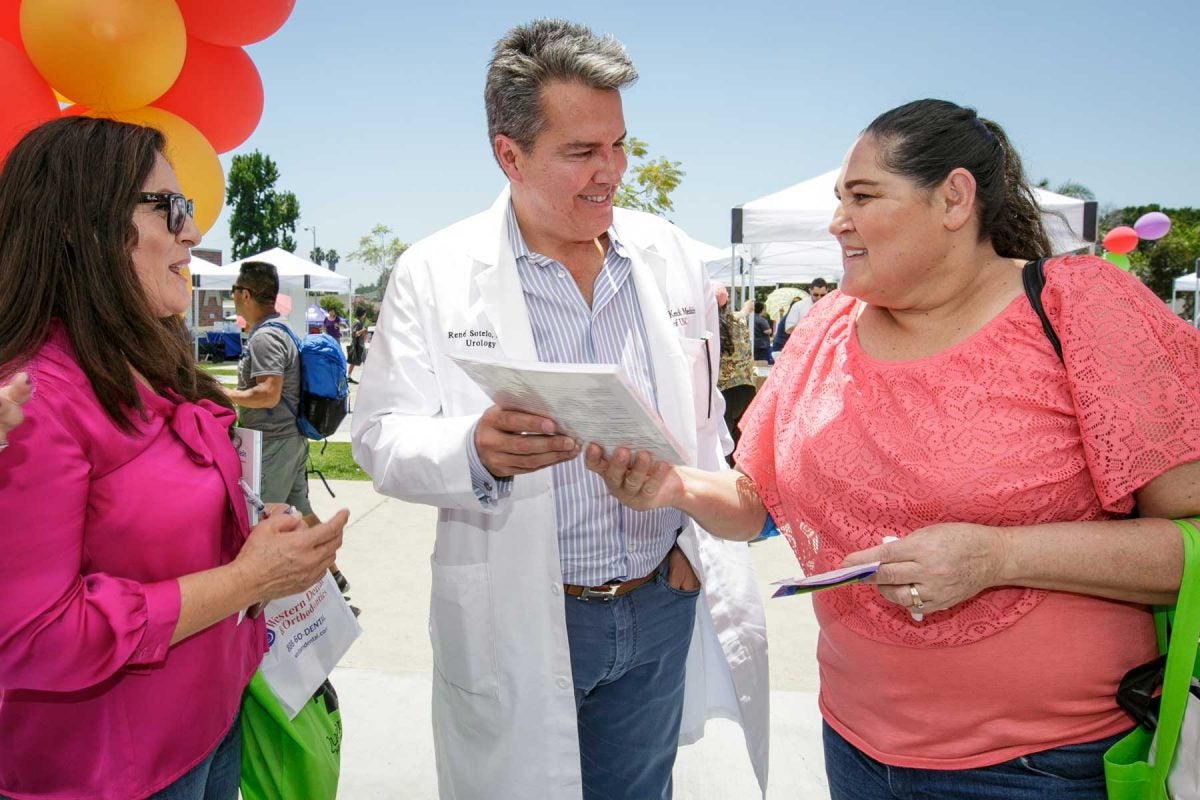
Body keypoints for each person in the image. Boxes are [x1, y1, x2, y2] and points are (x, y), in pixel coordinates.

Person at [586, 98, 1200, 799]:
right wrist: (671, 487)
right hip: (856, 749)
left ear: (954, 199)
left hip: (1043, 767)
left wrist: (999, 558)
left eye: (863, 196)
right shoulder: (824, 329)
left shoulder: (1077, 306)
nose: (837, 221)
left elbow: (1192, 540)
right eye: (838, 200)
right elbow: (756, 504)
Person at [351, 18, 768, 800]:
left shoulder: (669, 256)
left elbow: (705, 424)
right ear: (509, 154)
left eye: (618, 145)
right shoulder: (435, 271)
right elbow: (377, 437)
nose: (610, 172)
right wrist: (471, 450)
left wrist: (687, 546)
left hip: (656, 602)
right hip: (522, 609)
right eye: (581, 152)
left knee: (641, 789)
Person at [0, 116, 349, 800]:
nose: (193, 232)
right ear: (83, 224)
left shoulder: (144, 360)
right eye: (173, 208)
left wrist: (258, 535)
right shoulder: (32, 396)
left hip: (213, 727)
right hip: (108, 772)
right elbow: (37, 637)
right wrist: (249, 579)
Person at [228, 262, 355, 604]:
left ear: (246, 294)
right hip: (291, 441)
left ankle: (259, 602)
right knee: (302, 509)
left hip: (274, 445)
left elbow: (268, 392)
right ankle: (334, 575)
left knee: (261, 523)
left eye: (234, 292)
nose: (234, 299)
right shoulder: (280, 330)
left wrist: (224, 395)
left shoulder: (265, 337)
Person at [715, 282, 755, 463]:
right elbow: (743, 313)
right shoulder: (737, 321)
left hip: (723, 393)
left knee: (723, 449)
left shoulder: (706, 325)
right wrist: (747, 306)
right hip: (746, 389)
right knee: (741, 450)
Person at [346, 306, 368, 383]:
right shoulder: (357, 322)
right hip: (357, 345)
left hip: (361, 344)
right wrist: (362, 331)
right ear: (362, 313)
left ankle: (349, 376)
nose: (365, 314)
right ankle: (367, 377)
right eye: (365, 313)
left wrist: (364, 333)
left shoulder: (361, 321)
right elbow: (354, 334)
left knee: (357, 361)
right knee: (358, 361)